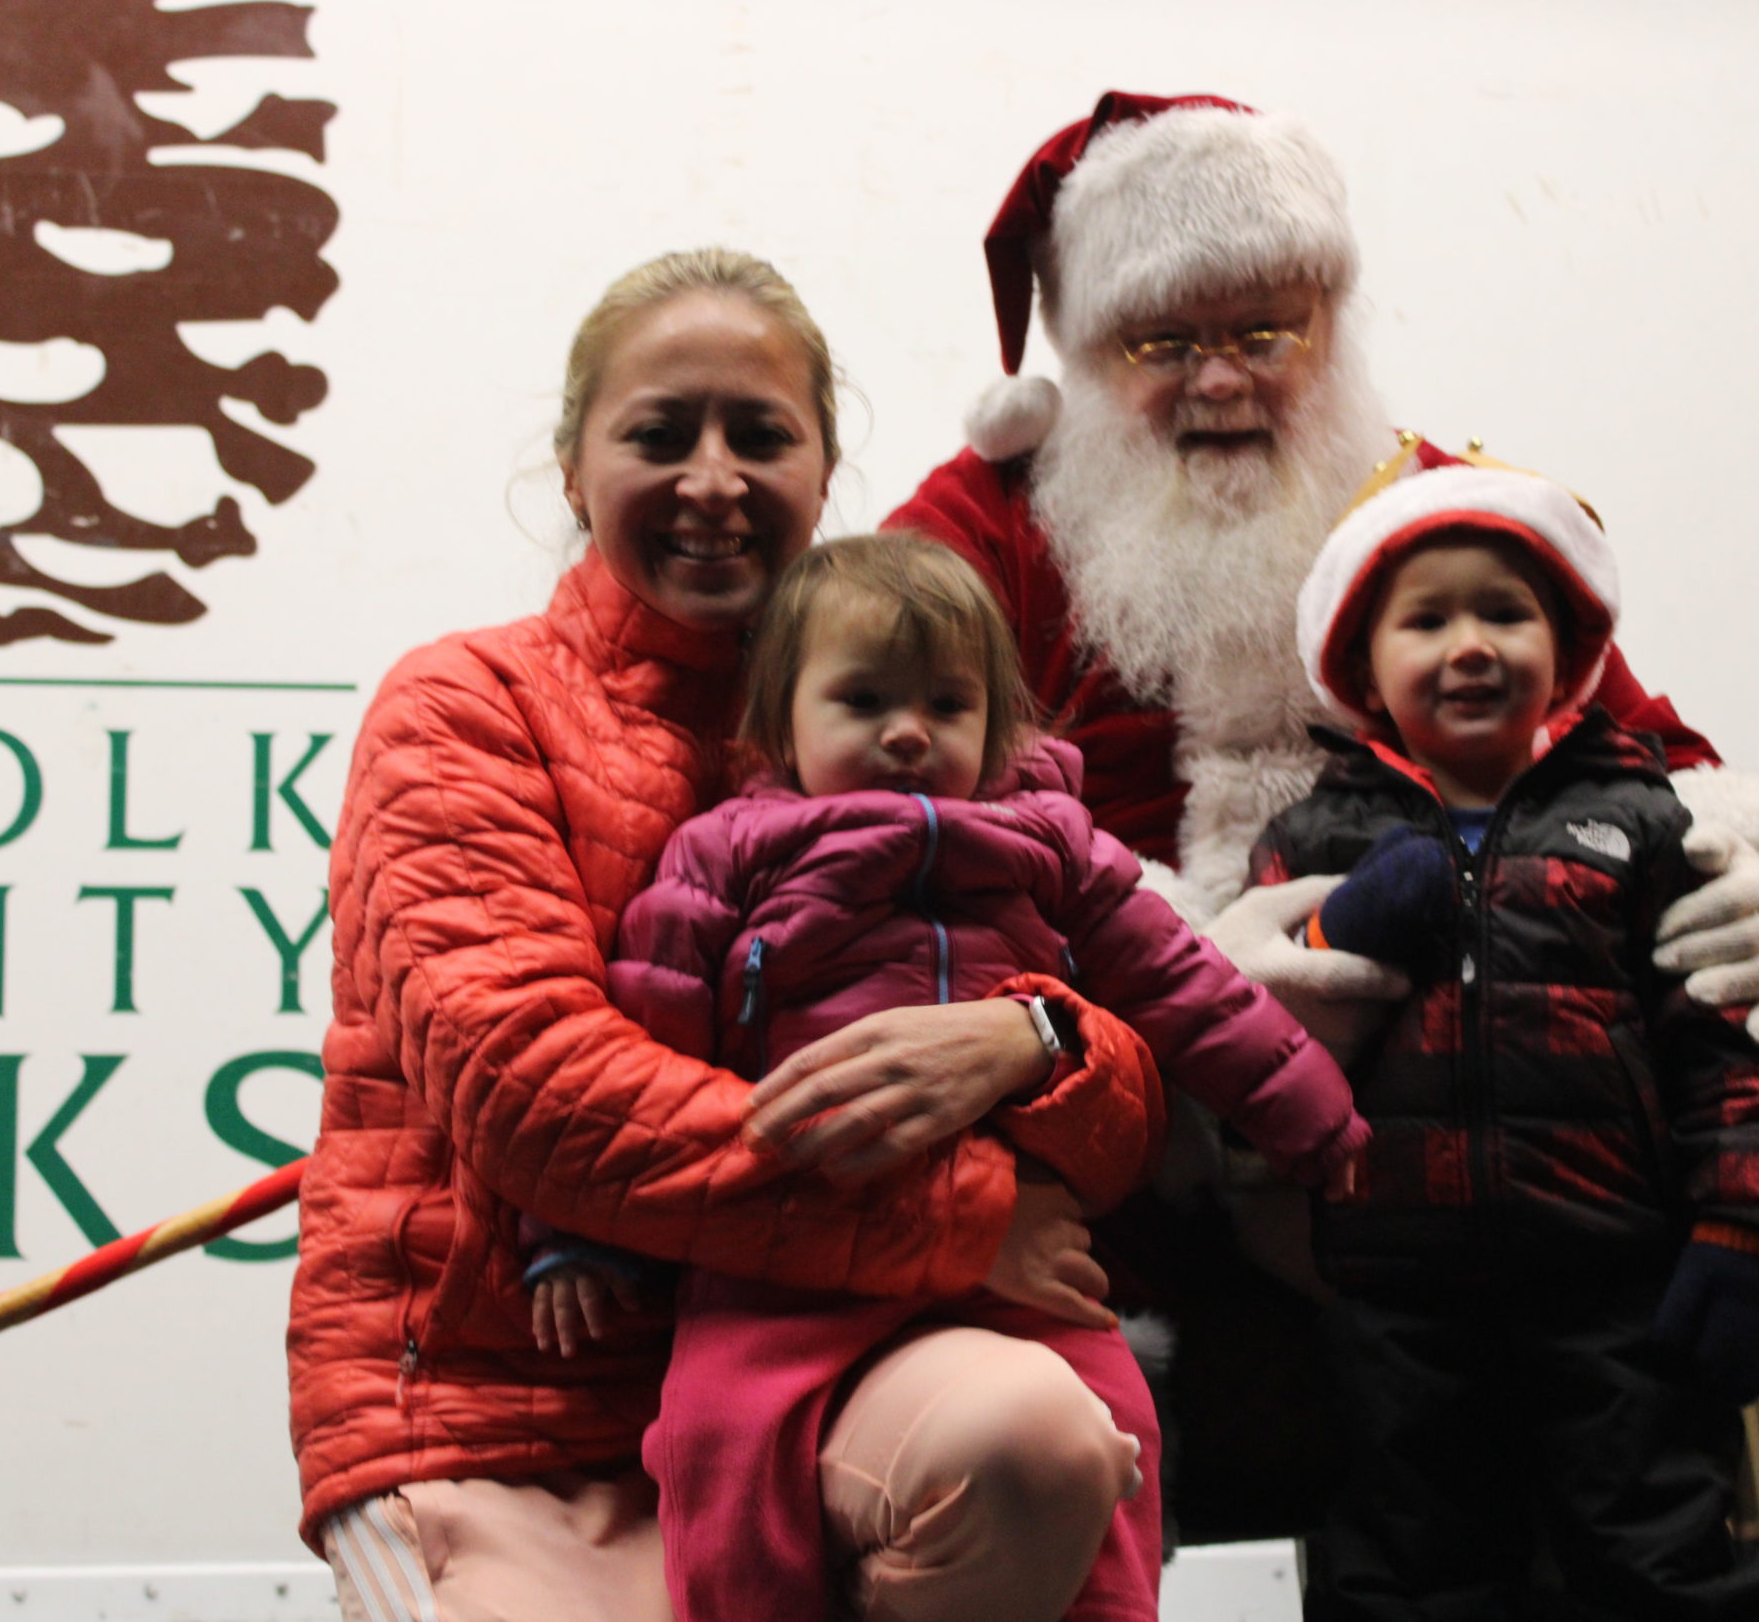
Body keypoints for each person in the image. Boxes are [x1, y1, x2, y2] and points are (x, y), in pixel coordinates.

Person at [884, 91, 1759, 1535]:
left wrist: (1748, 870)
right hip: (1108, 1138)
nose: (1221, 380)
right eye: (1161, 344)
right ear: (1082, 356)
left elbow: (1651, 756)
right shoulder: (985, 524)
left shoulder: (1442, 511)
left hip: (1458, 1163)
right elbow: (868, 811)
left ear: (1331, 325)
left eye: (1267, 329)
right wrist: (1171, 964)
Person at [288, 248, 1181, 1622]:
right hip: (506, 1413)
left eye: (760, 435)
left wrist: (1037, 1038)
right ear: (575, 468)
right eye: (660, 433)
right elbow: (539, 1095)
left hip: (835, 1367)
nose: (714, 478)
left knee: (1037, 1436)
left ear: (825, 473)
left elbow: (1125, 1078)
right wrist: (955, 1220)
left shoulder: (922, 733)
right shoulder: (463, 704)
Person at [524, 533, 1370, 1622]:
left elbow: (1186, 986)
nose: (909, 731)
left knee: (1111, 1427)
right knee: (721, 1448)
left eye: (947, 704)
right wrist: (573, 1236)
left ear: (996, 722)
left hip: (1014, 1258)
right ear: (780, 721)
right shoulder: (725, 853)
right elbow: (642, 1040)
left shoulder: (1050, 844)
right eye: (864, 699)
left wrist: (1316, 1122)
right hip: (780, 1263)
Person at [1258, 458, 1759, 1618]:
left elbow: (1731, 1045)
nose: (1470, 643)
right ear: (1363, 665)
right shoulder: (1318, 833)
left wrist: (1742, 1224)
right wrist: (1332, 920)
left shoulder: (1645, 821)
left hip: (1611, 1277)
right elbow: (1260, 1027)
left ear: (1568, 657)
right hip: (1394, 1289)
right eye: (1428, 619)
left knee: (1660, 1548)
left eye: (1504, 612)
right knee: (1411, 1566)